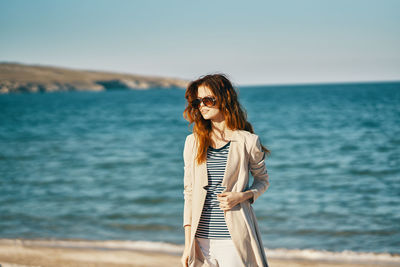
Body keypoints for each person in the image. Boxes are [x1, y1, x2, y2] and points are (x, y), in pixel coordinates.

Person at [181, 73, 271, 267]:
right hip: (200, 241)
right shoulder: (192, 143)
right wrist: (188, 244)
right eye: (198, 102)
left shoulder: (248, 141)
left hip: (234, 239)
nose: (202, 106)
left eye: (208, 100)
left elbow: (263, 181)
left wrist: (243, 196)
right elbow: (189, 194)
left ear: (223, 99)